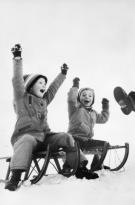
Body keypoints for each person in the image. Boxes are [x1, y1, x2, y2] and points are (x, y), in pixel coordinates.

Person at [5, 44, 79, 191]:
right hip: (25, 138)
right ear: (30, 86)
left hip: (44, 137)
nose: (44, 85)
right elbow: (17, 80)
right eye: (40, 83)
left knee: (66, 137)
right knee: (27, 139)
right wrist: (17, 58)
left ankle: (72, 166)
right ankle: (15, 176)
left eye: (44, 83)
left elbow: (53, 89)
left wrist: (62, 74)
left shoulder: (43, 101)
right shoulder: (22, 98)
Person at [67, 77, 110, 179]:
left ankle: (97, 165)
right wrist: (75, 86)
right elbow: (71, 100)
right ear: (79, 98)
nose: (87, 97)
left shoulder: (93, 113)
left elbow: (103, 119)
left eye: (90, 96)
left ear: (93, 99)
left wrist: (105, 107)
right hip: (74, 138)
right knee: (76, 145)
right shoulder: (75, 108)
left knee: (105, 145)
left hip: (87, 140)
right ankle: (75, 166)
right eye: (84, 95)